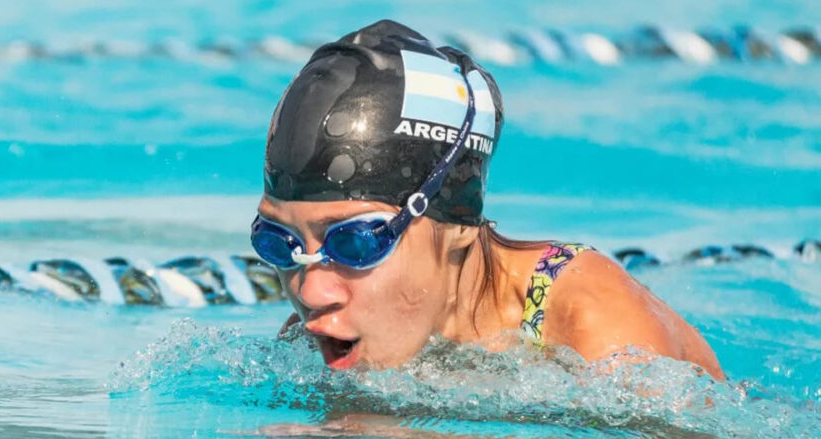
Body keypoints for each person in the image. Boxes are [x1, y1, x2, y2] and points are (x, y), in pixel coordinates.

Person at [251, 20, 724, 381]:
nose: (311, 293)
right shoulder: (319, 336)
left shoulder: (595, 326)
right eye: (278, 242)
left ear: (456, 226)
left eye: (356, 241)